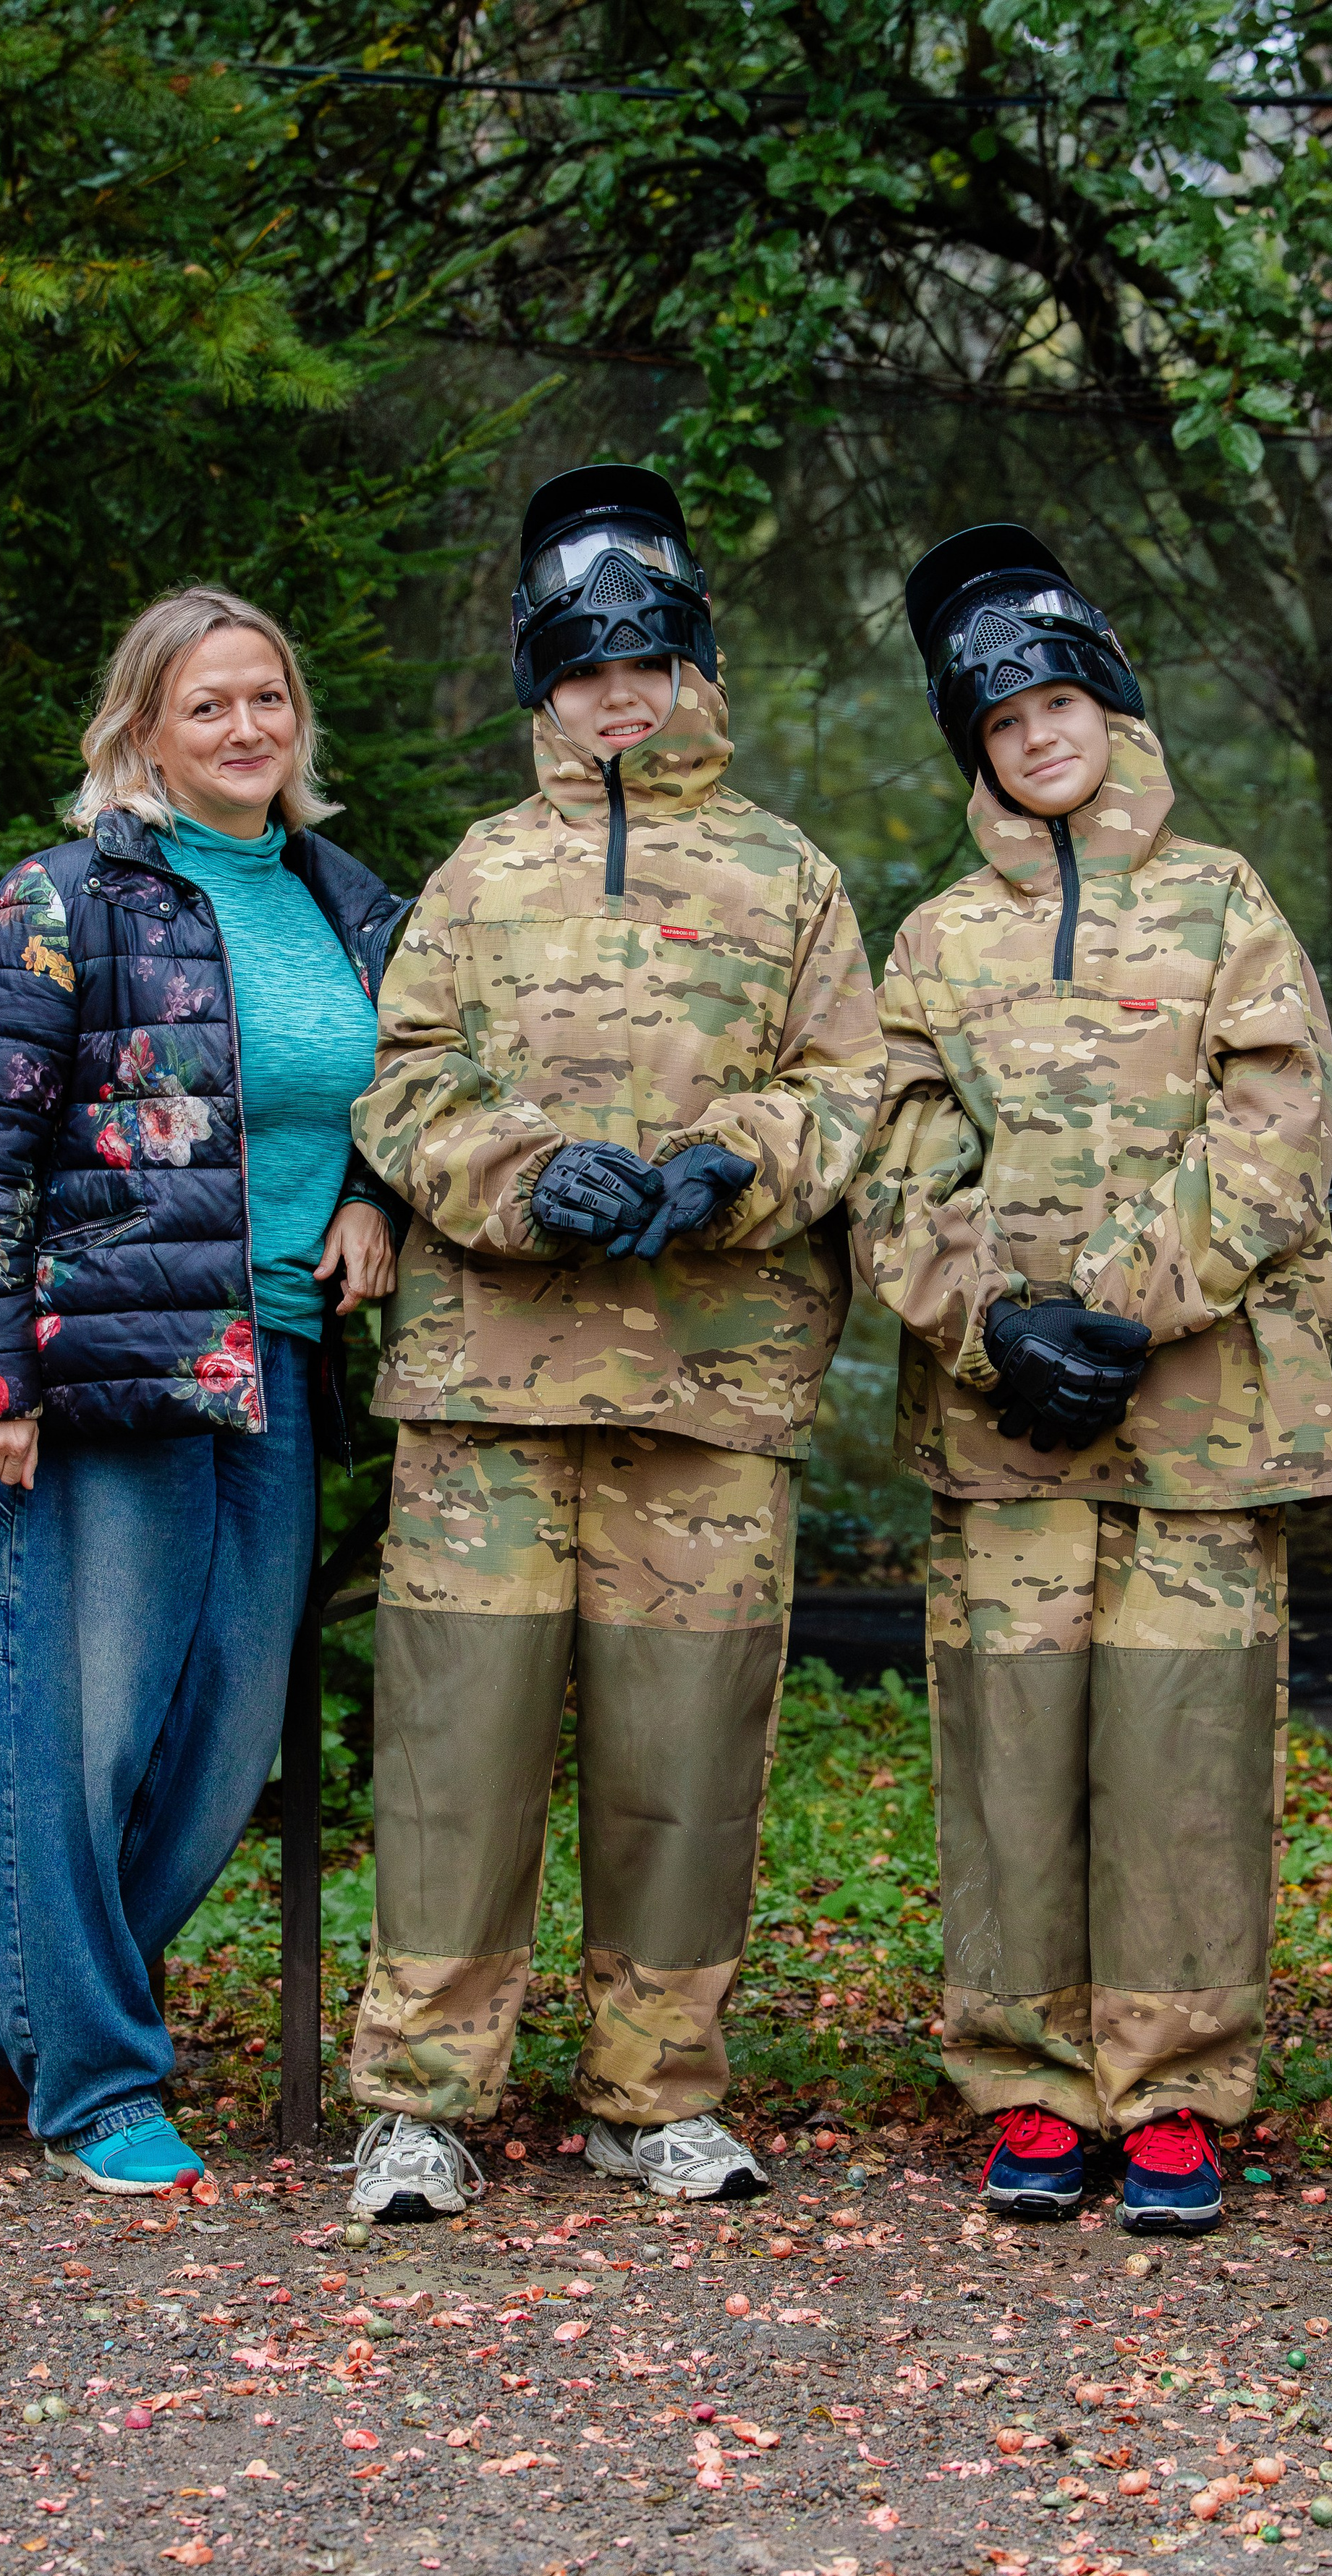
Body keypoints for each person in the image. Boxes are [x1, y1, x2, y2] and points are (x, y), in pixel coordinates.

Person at [342, 465, 887, 2221]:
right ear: (539, 684)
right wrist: (520, 1172)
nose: (616, 695)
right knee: (456, 1756)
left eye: (645, 660)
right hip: (487, 1388)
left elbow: (849, 1093)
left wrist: (736, 1166)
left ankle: (655, 2092)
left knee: (683, 1755)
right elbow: (403, 1082)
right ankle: (421, 2099)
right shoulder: (477, 871)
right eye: (581, 668)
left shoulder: (786, 879)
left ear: (691, 665)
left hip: (706, 1393)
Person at [0, 587, 412, 2192]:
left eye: (267, 698)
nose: (246, 728)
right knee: (90, 1733)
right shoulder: (68, 899)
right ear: (141, 729)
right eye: (207, 705)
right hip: (107, 1361)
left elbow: (394, 1089)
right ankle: (98, 2080)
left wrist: (377, 1188)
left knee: (228, 1745)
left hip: (281, 1356)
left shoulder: (346, 899)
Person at [850, 525, 1332, 2234]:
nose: (1036, 734)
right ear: (974, 748)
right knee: (1010, 1751)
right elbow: (888, 1165)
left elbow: (1276, 1129)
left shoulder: (1221, 902)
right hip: (1003, 1424)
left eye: (1059, 698)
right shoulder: (929, 942)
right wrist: (998, 1326)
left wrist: (1119, 1308)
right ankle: (1030, 2088)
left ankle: (1175, 2093)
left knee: (1180, 1750)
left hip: (1202, 1417)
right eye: (1003, 721)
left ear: (1108, 704)